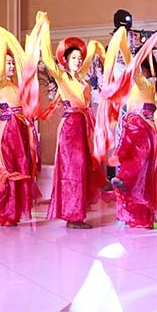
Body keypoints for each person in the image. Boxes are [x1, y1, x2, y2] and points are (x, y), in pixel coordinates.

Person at [99, 17, 157, 228]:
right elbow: (134, 64)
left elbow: (144, 71)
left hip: (146, 129)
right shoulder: (142, 84)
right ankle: (127, 189)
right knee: (138, 167)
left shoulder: (148, 85)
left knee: (143, 170)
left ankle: (138, 207)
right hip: (138, 126)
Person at [39, 17, 107, 229]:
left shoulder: (82, 80)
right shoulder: (63, 77)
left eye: (79, 58)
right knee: (73, 170)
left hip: (84, 125)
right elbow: (49, 61)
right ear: (65, 61)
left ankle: (78, 212)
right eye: (74, 58)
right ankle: (73, 215)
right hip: (71, 128)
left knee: (84, 169)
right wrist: (45, 28)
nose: (77, 61)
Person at [0, 15, 45, 226]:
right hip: (6, 131)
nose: (11, 66)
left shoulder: (15, 85)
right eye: (7, 63)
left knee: (21, 167)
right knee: (8, 167)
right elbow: (0, 34)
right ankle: (6, 212)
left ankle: (15, 210)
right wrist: (4, 37)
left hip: (19, 129)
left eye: (13, 63)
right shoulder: (0, 83)